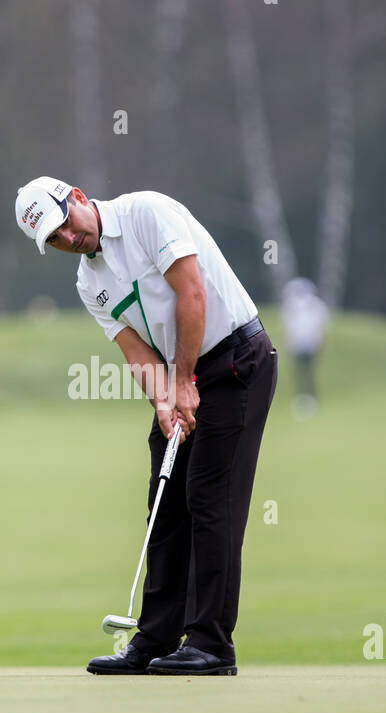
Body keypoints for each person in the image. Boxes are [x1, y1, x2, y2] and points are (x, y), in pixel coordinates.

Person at [15, 176, 277, 676]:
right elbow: (137, 353)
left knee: (209, 496)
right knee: (165, 502)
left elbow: (192, 294)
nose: (67, 240)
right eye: (53, 240)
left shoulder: (145, 214)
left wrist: (182, 381)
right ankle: (155, 638)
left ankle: (212, 644)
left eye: (64, 225)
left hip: (237, 361)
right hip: (182, 372)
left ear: (75, 197)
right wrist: (165, 397)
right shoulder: (88, 282)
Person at [280, 277, 328, 413]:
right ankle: (301, 399)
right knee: (299, 375)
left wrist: (321, 345)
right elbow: (287, 329)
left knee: (309, 374)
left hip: (311, 346)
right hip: (297, 346)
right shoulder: (291, 307)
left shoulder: (315, 306)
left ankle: (311, 399)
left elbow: (321, 329)